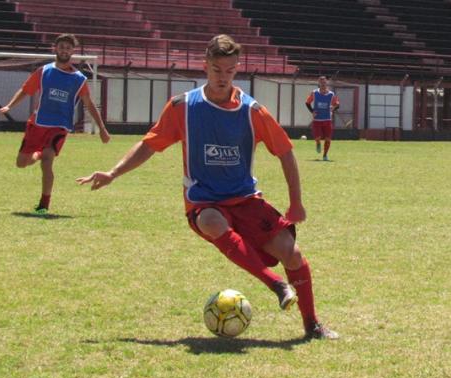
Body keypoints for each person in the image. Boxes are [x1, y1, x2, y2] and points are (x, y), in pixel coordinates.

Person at [76, 35, 338, 339]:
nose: (222, 77)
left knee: (291, 254)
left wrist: (296, 203)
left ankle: (312, 326)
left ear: (237, 70)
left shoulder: (253, 112)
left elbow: (285, 152)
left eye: (228, 70)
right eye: (216, 70)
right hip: (203, 200)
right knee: (213, 222)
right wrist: (113, 172)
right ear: (205, 67)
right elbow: (149, 145)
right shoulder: (182, 107)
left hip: (245, 198)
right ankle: (276, 283)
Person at [0, 33, 111, 214]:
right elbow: (26, 90)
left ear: (73, 51)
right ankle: (37, 153)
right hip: (38, 123)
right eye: (61, 47)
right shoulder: (44, 71)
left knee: (47, 161)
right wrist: (9, 106)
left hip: (59, 126)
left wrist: (102, 129)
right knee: (21, 163)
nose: (64, 50)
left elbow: (89, 104)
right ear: (55, 49)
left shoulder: (79, 79)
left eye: (68, 48)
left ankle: (44, 204)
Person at [305, 76, 339, 161]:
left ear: (326, 83)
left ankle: (325, 155)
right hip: (317, 120)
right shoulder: (314, 93)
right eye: (321, 82)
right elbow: (307, 102)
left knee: (328, 139)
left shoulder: (331, 94)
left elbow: (337, 104)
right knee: (317, 138)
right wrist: (312, 111)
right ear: (319, 83)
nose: (323, 84)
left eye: (324, 82)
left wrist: (333, 108)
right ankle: (318, 143)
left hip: (327, 120)